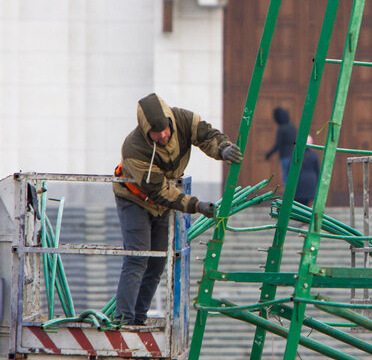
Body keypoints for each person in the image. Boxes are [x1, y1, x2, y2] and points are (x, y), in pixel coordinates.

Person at [112, 93, 242, 326]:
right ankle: (123, 319)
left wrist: (223, 149)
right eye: (156, 133)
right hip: (135, 198)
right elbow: (159, 190)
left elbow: (208, 136)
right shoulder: (134, 148)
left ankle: (138, 319)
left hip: (164, 202)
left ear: (171, 122)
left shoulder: (184, 120)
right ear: (145, 130)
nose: (162, 136)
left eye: (165, 130)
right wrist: (196, 205)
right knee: (138, 257)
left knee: (158, 262)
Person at [265, 107, 297, 183]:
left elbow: (278, 144)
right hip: (294, 155)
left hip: (285, 156)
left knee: (286, 178)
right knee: (294, 178)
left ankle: (289, 195)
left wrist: (268, 154)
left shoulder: (281, 129)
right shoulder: (293, 127)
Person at [294, 135, 320, 207]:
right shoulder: (313, 155)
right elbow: (317, 170)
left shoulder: (296, 154)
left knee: (298, 205)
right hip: (311, 183)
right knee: (307, 206)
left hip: (298, 182)